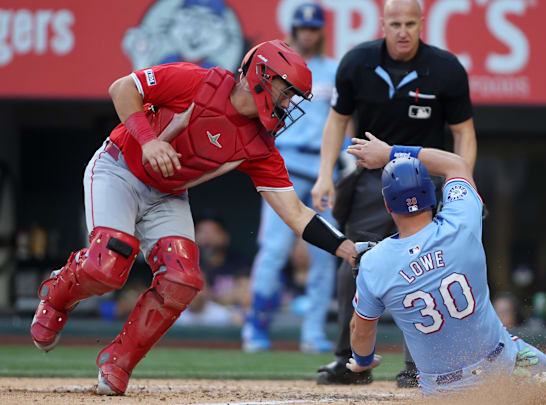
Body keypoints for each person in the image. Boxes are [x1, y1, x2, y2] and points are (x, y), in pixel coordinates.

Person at [29, 39, 356, 396]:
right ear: (262, 76)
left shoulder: (260, 146)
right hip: (120, 166)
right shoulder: (198, 82)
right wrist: (149, 140)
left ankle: (119, 360)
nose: (288, 103)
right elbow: (122, 88)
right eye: (287, 91)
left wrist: (345, 248)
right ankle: (57, 295)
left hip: (166, 194)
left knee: (183, 279)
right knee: (107, 264)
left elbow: (295, 212)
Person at [343, 135, 546, 396]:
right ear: (432, 198)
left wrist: (363, 362)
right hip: (506, 363)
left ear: (388, 205)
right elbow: (455, 164)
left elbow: (361, 329)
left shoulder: (374, 263)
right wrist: (390, 152)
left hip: (444, 392)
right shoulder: (462, 222)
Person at [311, 0, 477, 386]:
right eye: (395, 23)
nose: (402, 31)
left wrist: (462, 179)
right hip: (372, 177)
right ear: (382, 23)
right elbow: (336, 122)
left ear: (422, 24)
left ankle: (423, 366)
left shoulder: (447, 68)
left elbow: (463, 132)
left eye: (410, 24)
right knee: (354, 260)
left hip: (428, 178)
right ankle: (351, 361)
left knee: (431, 266)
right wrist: (324, 176)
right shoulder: (357, 63)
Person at [243, 3, 339, 354]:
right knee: (274, 251)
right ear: (295, 29)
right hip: (282, 165)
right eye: (303, 28)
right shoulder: (275, 63)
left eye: (313, 29)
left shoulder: (334, 69)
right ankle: (256, 328)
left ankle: (312, 333)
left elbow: (345, 121)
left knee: (326, 254)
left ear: (321, 31)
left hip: (323, 172)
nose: (308, 34)